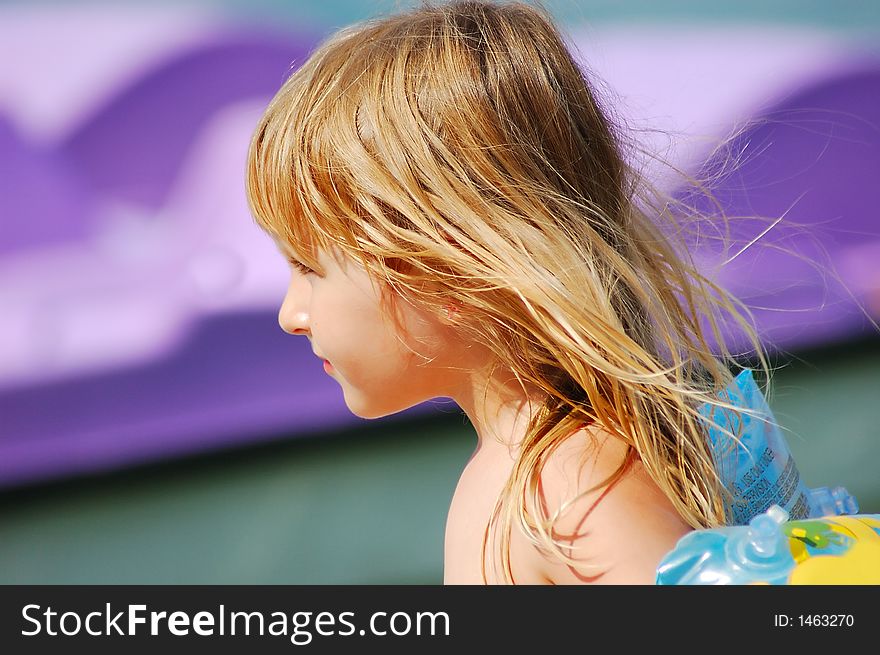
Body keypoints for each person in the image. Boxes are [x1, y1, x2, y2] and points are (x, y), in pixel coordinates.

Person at [245, 0, 778, 584]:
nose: (291, 315)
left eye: (309, 269)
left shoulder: (575, 491)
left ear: (449, 275)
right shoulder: (522, 474)